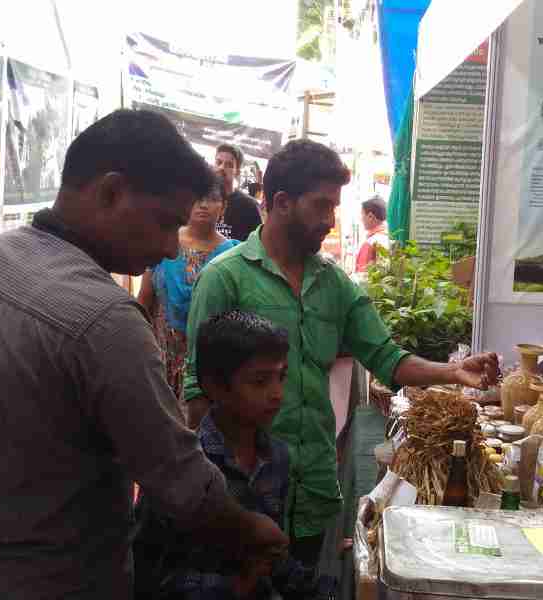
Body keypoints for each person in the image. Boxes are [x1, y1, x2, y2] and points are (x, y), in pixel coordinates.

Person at [0, 109, 286, 600]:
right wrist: (251, 532)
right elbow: (180, 483)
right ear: (111, 193)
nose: (170, 249)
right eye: (164, 223)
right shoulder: (106, 322)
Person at [184, 139, 500, 568]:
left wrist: (454, 371)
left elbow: (386, 357)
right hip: (245, 497)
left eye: (334, 208)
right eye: (321, 206)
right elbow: (197, 394)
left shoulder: (333, 284)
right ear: (281, 202)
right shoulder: (225, 278)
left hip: (314, 490)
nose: (330, 221)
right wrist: (223, 496)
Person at [135, 311, 334, 600]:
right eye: (260, 381)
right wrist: (235, 587)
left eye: (281, 377)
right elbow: (150, 574)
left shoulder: (277, 457)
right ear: (215, 386)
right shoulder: (182, 468)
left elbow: (273, 556)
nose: (277, 393)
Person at [139, 174, 240, 404]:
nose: (203, 204)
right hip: (159, 358)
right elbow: (144, 301)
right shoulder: (161, 243)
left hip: (210, 368)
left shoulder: (234, 256)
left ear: (223, 207)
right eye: (198, 197)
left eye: (212, 198)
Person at [214, 144, 263, 242]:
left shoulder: (250, 206)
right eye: (218, 162)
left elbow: (255, 245)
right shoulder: (201, 199)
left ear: (237, 172)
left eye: (229, 165)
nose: (222, 167)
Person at [353, 196, 390, 274]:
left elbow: (362, 275)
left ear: (370, 216)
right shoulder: (389, 239)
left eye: (362, 214)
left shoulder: (371, 243)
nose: (361, 218)